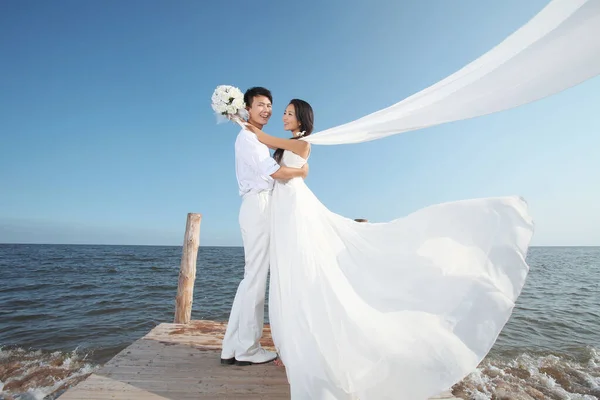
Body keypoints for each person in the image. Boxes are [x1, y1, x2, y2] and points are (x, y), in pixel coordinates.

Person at [244, 99, 534, 399]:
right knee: (289, 276)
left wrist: (243, 122)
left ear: (302, 118)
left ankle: (303, 350)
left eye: (289, 113)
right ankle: (292, 349)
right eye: (284, 112)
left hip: (294, 210)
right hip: (285, 209)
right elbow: (292, 168)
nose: (284, 116)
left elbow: (267, 144)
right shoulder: (291, 145)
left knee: (302, 273)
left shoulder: (303, 143)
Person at [220, 88, 309, 367]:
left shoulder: (255, 137)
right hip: (258, 206)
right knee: (255, 281)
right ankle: (247, 349)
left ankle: (231, 347)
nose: (268, 110)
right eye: (260, 105)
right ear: (247, 107)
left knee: (250, 280)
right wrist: (301, 172)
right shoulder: (249, 139)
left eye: (270, 105)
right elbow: (276, 172)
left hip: (259, 206)